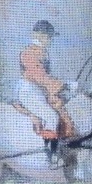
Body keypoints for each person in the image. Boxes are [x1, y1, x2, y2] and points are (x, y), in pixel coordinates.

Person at [16, 20, 76, 163]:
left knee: (63, 110)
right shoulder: (28, 53)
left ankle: (66, 145)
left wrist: (61, 89)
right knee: (52, 117)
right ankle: (51, 156)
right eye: (49, 37)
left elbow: (45, 79)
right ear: (40, 36)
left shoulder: (43, 52)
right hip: (29, 92)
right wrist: (64, 85)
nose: (50, 40)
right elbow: (40, 77)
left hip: (39, 91)